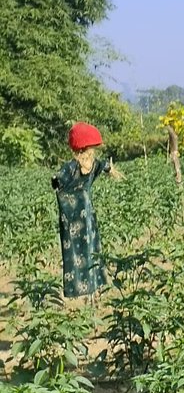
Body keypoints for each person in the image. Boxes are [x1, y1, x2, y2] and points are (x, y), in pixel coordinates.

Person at [52, 122, 123, 299]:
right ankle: (91, 286)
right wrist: (112, 171)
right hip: (85, 215)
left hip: (74, 217)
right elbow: (105, 166)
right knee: (89, 247)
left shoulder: (72, 167)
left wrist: (58, 185)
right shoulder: (89, 165)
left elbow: (57, 180)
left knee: (77, 251)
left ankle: (81, 288)